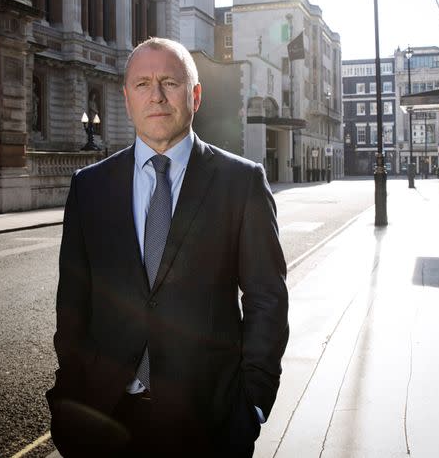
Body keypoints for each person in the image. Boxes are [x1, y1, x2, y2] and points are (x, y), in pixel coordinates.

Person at [46, 37, 289, 457]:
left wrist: (253, 402)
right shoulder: (89, 187)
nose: (155, 96)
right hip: (106, 418)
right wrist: (71, 391)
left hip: (209, 421)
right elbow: (73, 302)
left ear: (195, 95)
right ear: (126, 97)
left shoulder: (241, 183)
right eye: (142, 84)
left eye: (169, 83)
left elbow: (267, 298)